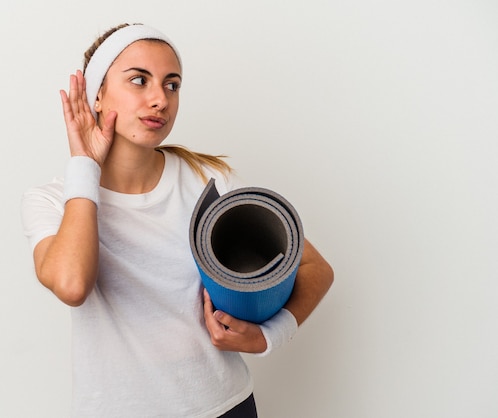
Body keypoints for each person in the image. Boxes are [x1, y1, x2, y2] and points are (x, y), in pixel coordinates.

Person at [21, 23, 333, 418]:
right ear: (97, 95)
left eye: (172, 85)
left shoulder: (209, 181)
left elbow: (314, 267)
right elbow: (72, 284)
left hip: (224, 406)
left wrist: (268, 336)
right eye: (139, 80)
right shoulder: (51, 200)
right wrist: (85, 165)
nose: (160, 100)